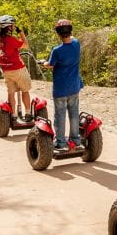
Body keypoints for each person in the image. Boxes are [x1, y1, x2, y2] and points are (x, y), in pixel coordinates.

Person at [43, 19, 84, 151]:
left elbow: (50, 64)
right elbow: (73, 38)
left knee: (60, 115)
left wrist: (44, 63)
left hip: (61, 89)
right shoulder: (76, 44)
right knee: (74, 113)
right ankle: (75, 139)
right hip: (74, 87)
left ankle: (61, 142)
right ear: (70, 31)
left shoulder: (57, 51)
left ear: (58, 34)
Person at [0, 15, 32, 121]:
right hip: (18, 69)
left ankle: (13, 114)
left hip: (6, 70)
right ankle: (28, 113)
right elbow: (26, 45)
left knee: (11, 92)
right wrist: (21, 32)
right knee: (25, 90)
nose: (14, 26)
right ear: (9, 27)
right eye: (12, 25)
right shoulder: (12, 40)